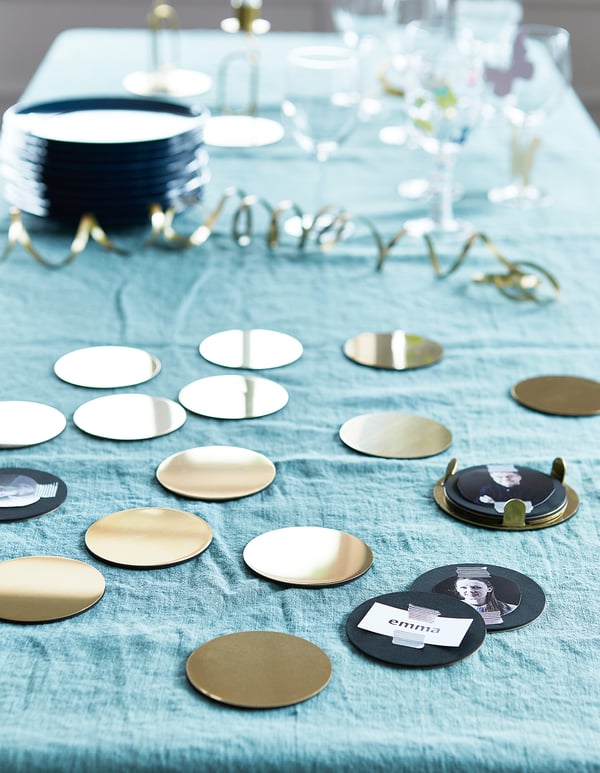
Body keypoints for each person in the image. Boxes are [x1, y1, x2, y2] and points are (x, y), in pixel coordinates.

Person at [454, 576, 518, 616]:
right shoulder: (454, 607)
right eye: (463, 587)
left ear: (489, 589)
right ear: (457, 589)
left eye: (476, 587)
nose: (470, 591)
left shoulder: (509, 609)